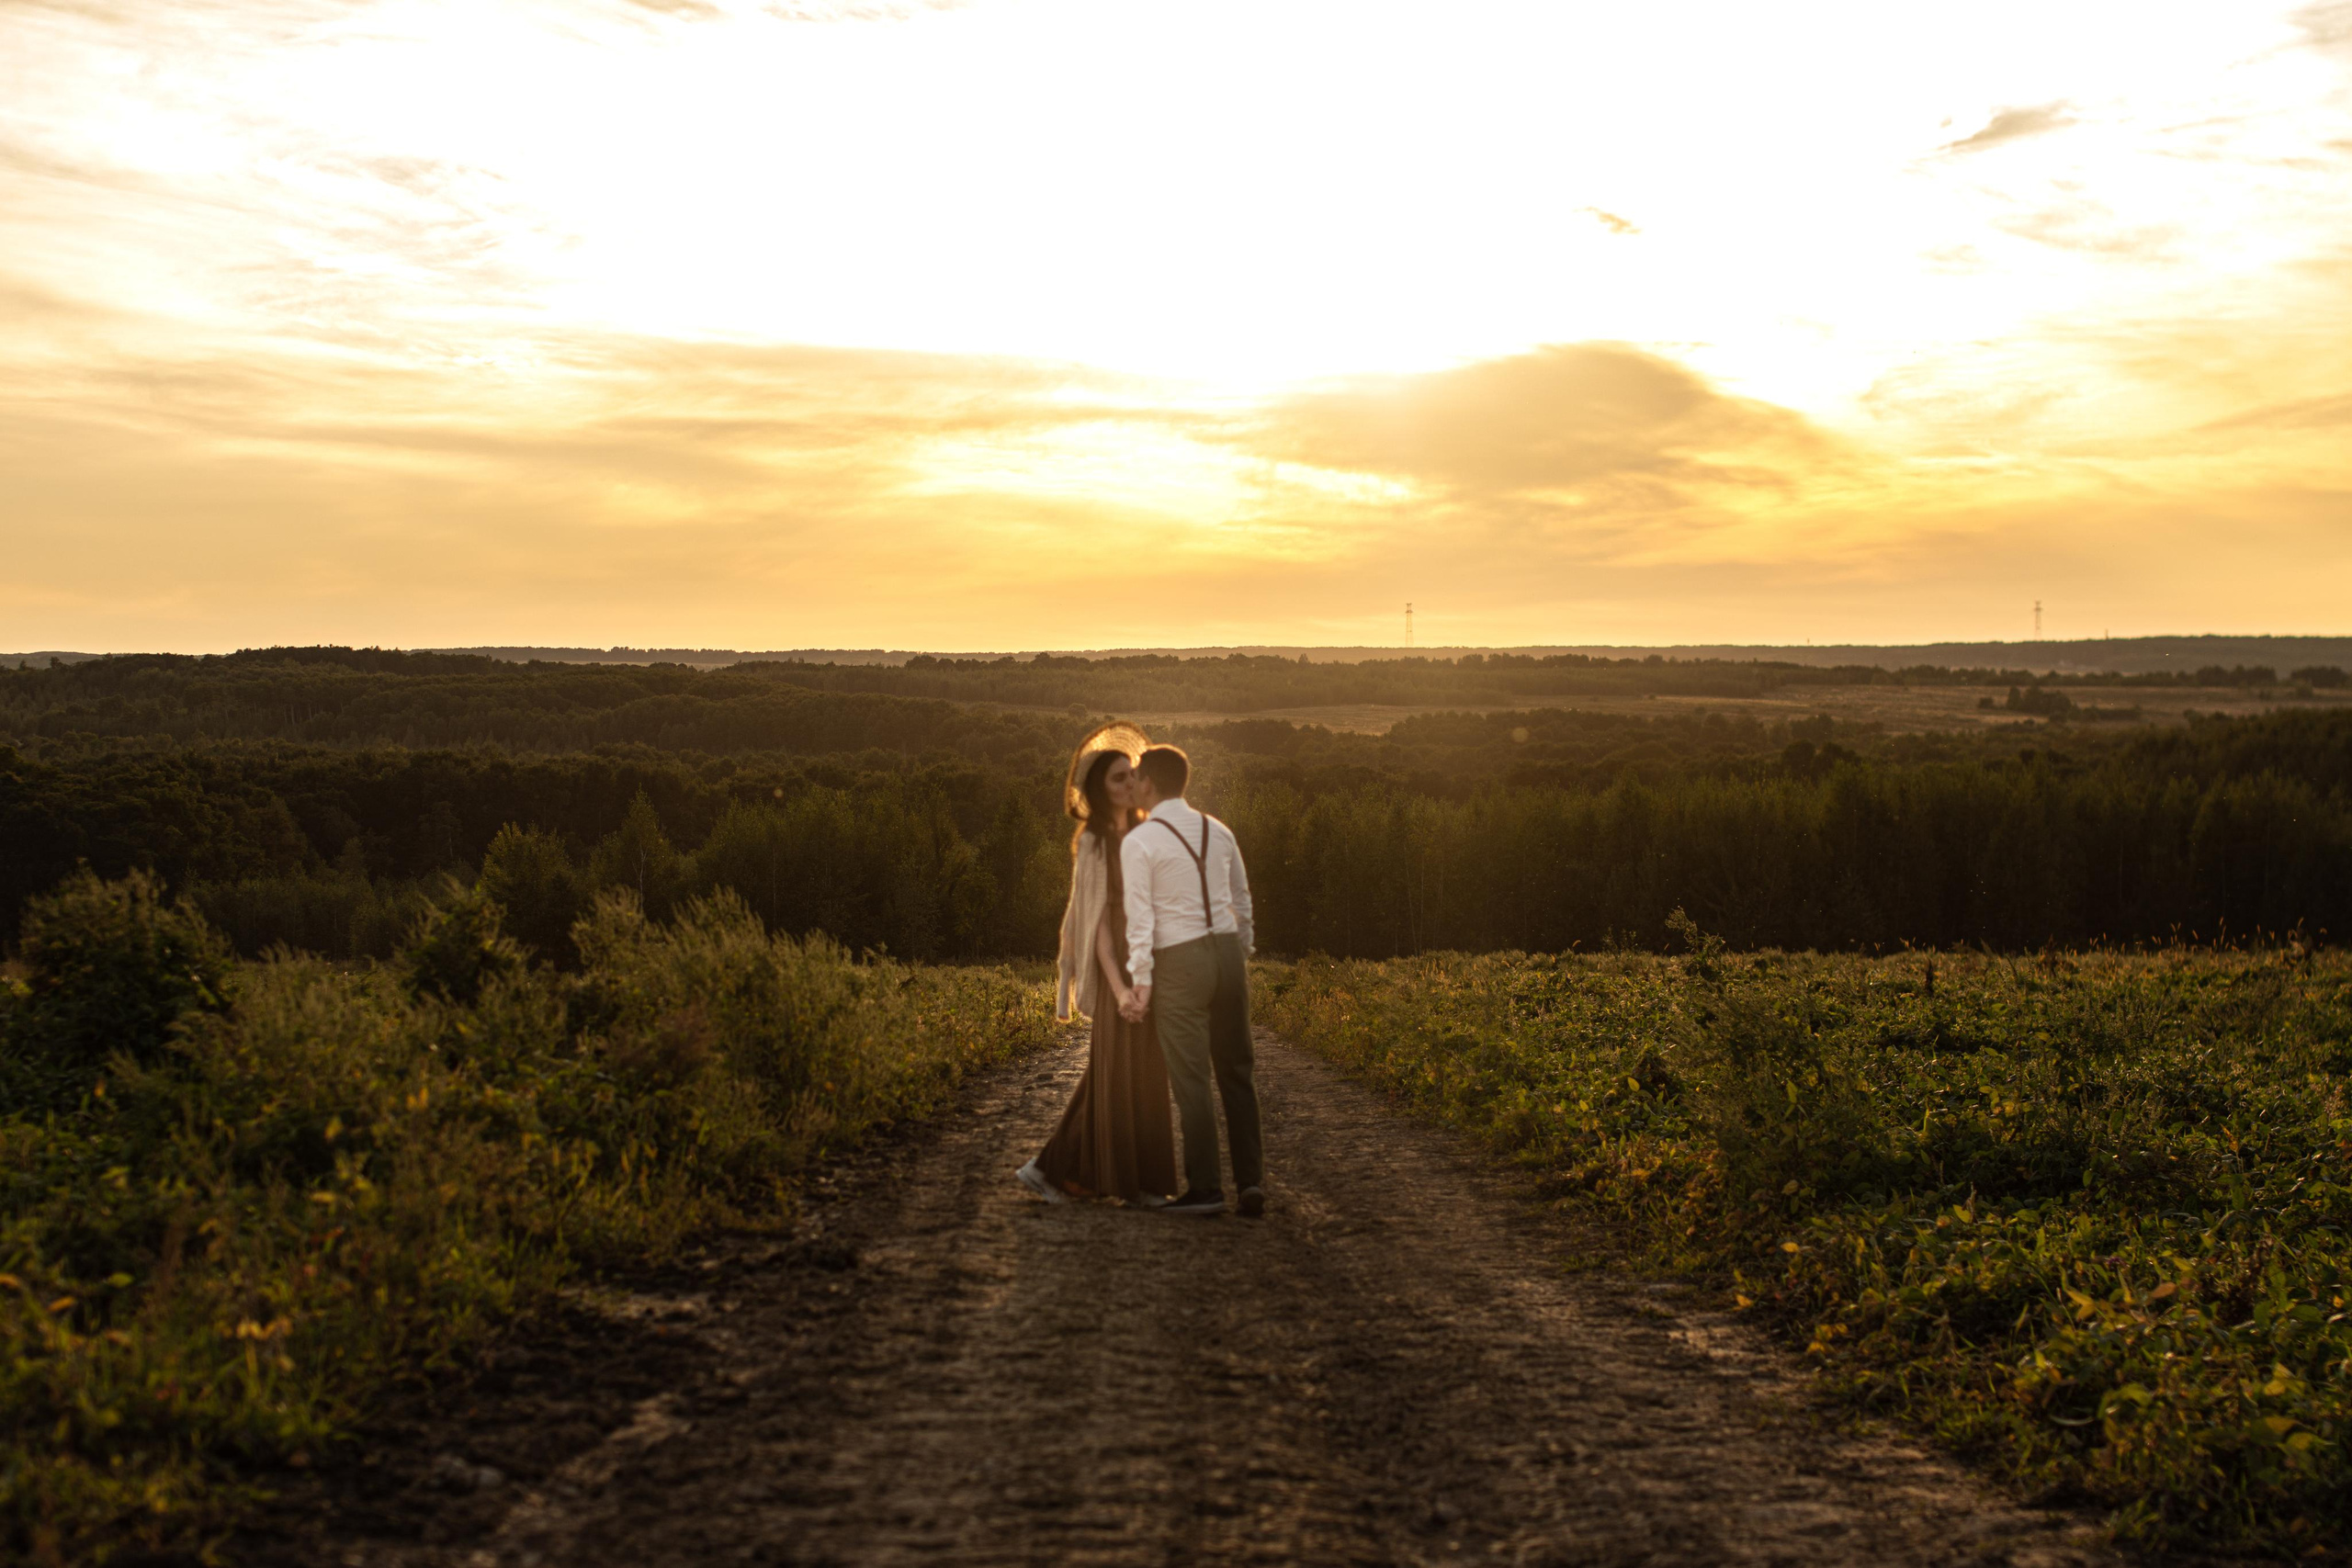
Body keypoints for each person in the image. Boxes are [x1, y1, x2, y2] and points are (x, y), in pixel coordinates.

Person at [1015, 723, 1180, 1207]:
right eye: (1116, 779)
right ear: (1097, 789)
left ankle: (1064, 1172)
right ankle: (1083, 1175)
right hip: (1119, 968)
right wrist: (1119, 986)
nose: (1129, 784)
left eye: (1132, 775)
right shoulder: (1094, 842)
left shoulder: (1148, 830)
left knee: (1137, 1071)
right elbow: (1097, 925)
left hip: (1150, 958)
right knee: (1117, 1071)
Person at [1119, 744, 1263, 1219]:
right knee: (1237, 1073)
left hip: (1180, 959)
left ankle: (1205, 1189)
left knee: (1193, 1079)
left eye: (1136, 776)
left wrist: (1141, 981)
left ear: (1149, 784)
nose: (1133, 784)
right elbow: (1242, 900)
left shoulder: (1139, 841)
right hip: (1227, 953)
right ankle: (1250, 1183)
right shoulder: (1217, 830)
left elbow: (1140, 921)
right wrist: (1238, 952)